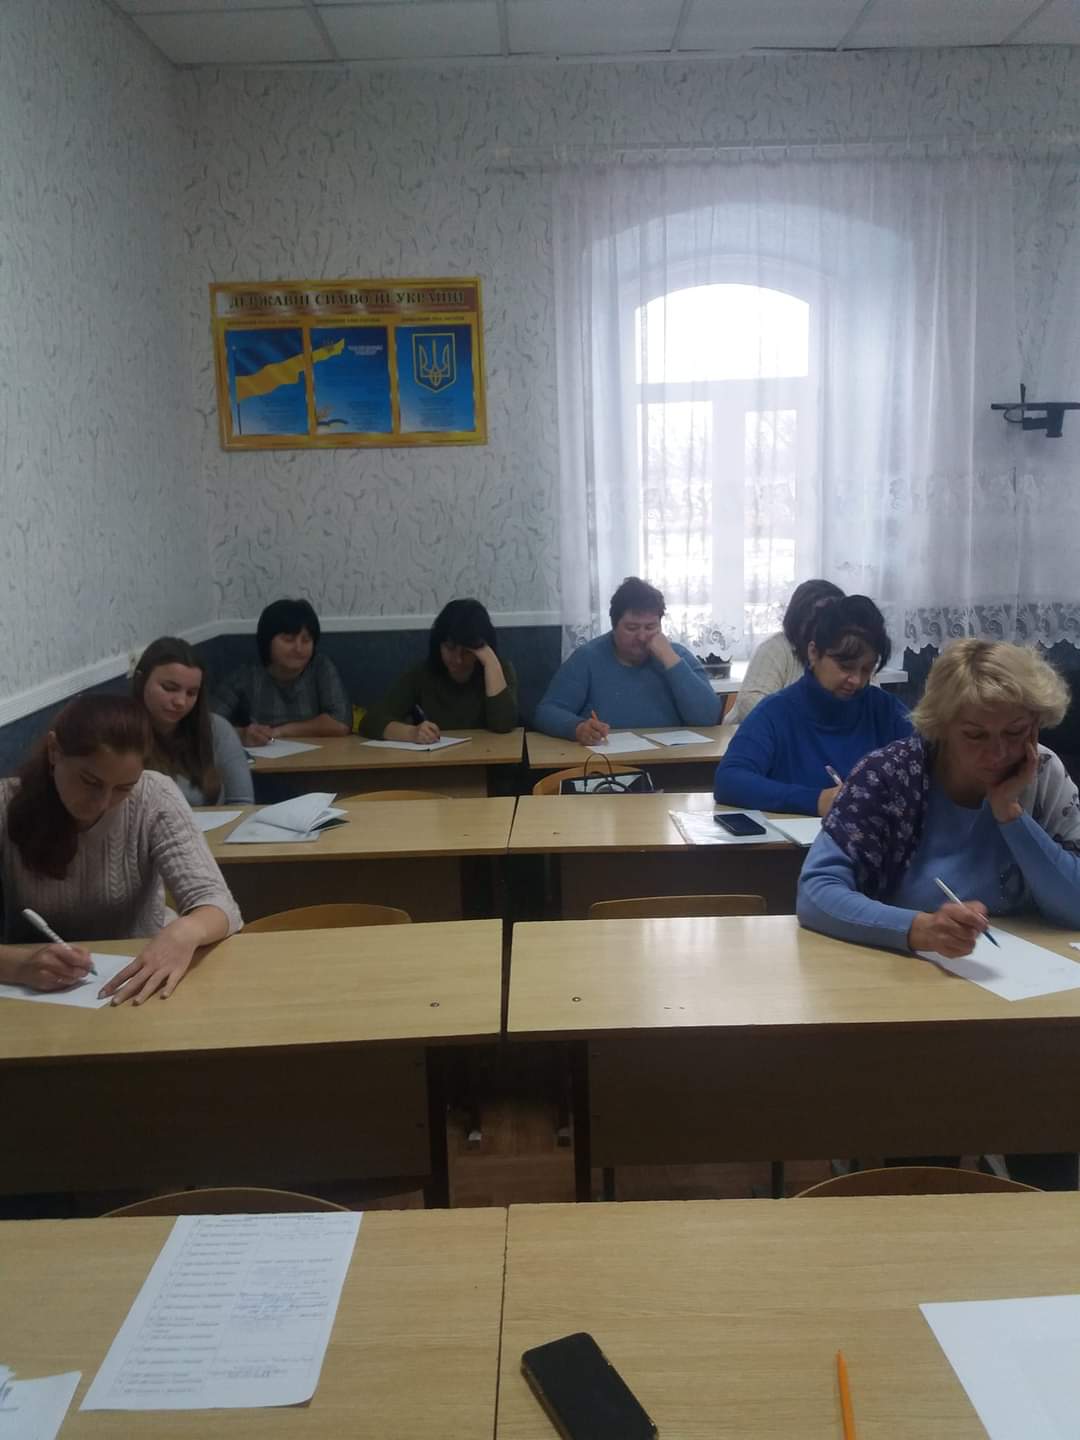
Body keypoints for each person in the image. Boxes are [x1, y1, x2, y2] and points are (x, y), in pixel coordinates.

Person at [798, 638, 1080, 1191]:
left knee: (1053, 1139)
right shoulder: (890, 776)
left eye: (1016, 733)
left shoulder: (1042, 772)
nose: (998, 754)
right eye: (975, 736)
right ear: (942, 727)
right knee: (926, 1153)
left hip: (1027, 1009)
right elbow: (816, 890)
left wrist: (1010, 813)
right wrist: (917, 928)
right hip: (914, 1006)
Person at [0, 694, 241, 1004]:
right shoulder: (6, 804)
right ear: (54, 751)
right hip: (36, 993)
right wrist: (19, 966)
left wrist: (185, 931)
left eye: (124, 788)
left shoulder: (153, 795)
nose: (103, 802)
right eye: (90, 782)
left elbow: (218, 902)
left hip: (141, 976)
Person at [713, 594, 911, 816]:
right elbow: (729, 780)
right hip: (795, 838)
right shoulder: (777, 712)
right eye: (845, 666)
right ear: (814, 653)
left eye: (866, 669)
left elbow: (929, 766)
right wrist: (816, 800)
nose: (856, 680)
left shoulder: (885, 711)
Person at [534, 577, 721, 742]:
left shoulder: (677, 657)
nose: (642, 637)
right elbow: (547, 712)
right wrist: (577, 728)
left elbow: (708, 717)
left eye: (650, 627)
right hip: (607, 764)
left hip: (673, 761)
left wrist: (670, 659)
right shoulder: (587, 658)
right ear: (614, 626)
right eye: (632, 628)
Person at [360, 599, 518, 742]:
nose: (458, 659)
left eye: (467, 651)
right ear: (438, 644)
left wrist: (490, 662)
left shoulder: (498, 669)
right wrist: (411, 733)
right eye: (450, 648)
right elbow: (371, 721)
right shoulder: (423, 673)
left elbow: (503, 725)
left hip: (489, 758)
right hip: (439, 759)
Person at [213, 598, 351, 747]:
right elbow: (206, 724)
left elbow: (340, 722)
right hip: (263, 757)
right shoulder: (246, 675)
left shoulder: (320, 666)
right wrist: (241, 734)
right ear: (267, 642)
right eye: (288, 639)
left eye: (306, 640)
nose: (298, 648)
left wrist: (281, 731)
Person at [133, 637, 253, 805]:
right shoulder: (119, 732)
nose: (181, 702)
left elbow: (242, 802)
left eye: (191, 693)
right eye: (169, 688)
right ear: (140, 681)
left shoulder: (216, 728)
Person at [727, 579, 844, 725]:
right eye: (819, 618)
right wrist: (796, 723)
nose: (827, 625)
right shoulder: (776, 647)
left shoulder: (847, 652)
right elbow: (749, 702)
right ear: (799, 619)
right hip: (754, 733)